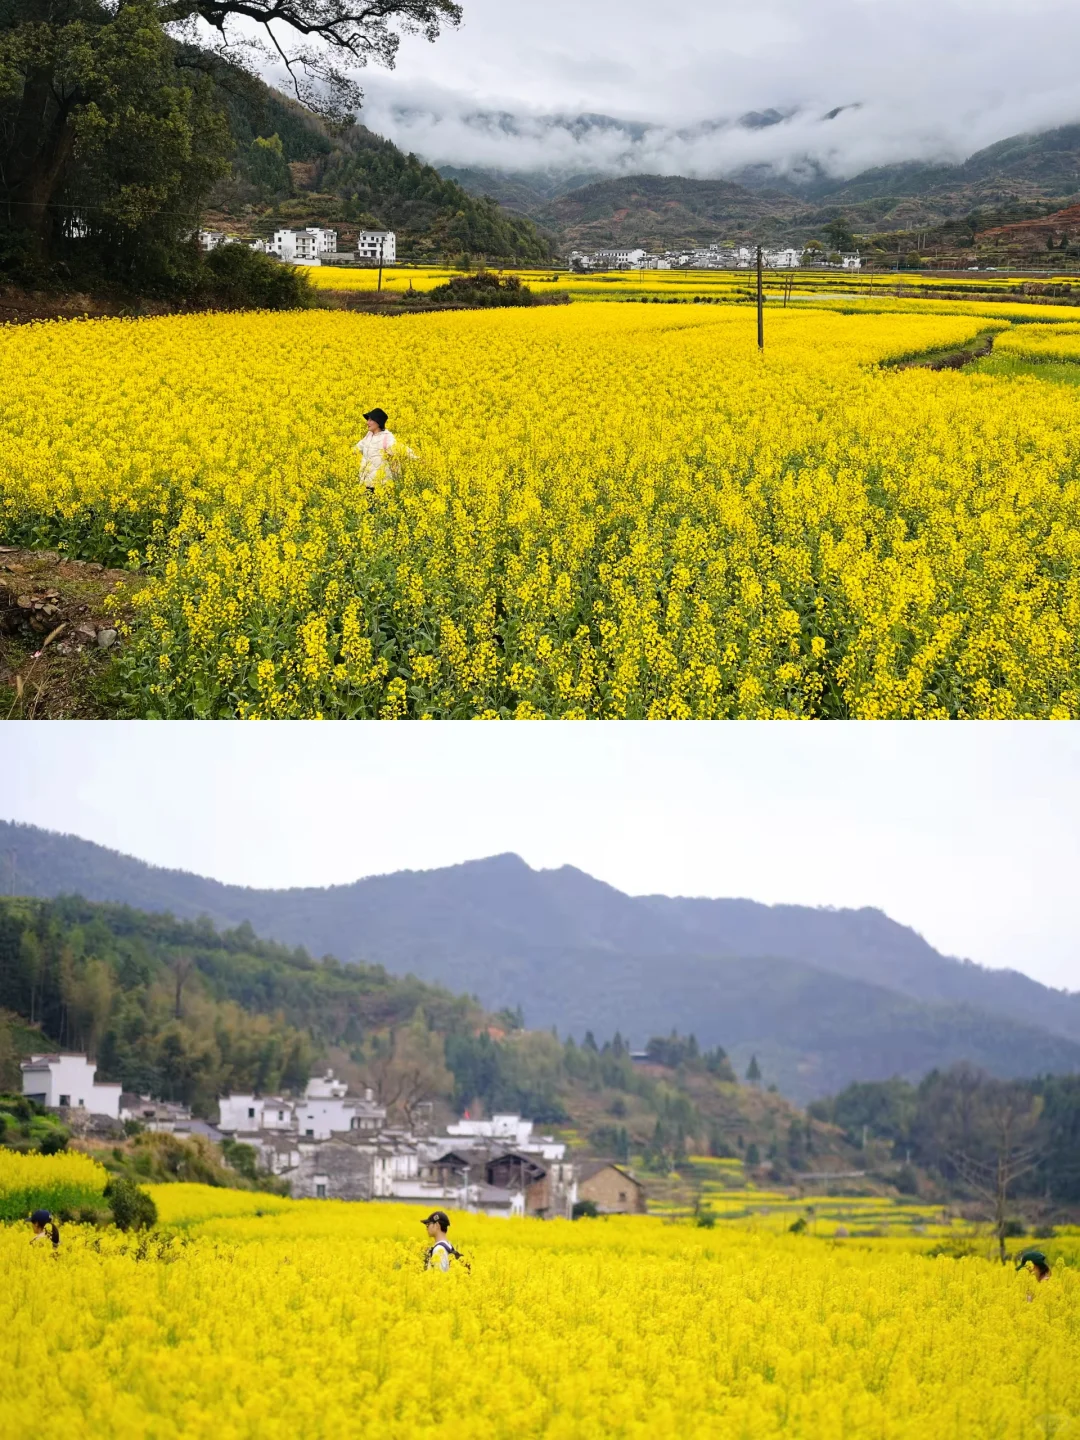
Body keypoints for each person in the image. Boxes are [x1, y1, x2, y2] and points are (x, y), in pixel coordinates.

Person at [354, 408, 403, 489]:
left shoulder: (387, 438)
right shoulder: (369, 435)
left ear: (378, 422)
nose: (367, 423)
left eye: (370, 420)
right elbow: (356, 449)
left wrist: (421, 458)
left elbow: (401, 450)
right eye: (368, 420)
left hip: (381, 485)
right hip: (366, 482)